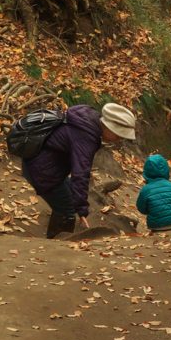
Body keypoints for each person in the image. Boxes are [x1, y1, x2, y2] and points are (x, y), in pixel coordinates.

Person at [23, 102, 135, 238]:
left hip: (45, 163)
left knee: (67, 195)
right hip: (41, 168)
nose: (118, 140)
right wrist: (82, 210)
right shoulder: (87, 136)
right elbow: (80, 173)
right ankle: (57, 247)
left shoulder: (88, 118)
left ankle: (53, 238)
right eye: (118, 135)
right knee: (68, 211)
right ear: (109, 127)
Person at [136, 154, 171, 233]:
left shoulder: (145, 190)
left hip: (156, 226)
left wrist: (152, 210)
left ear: (146, 171)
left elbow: (141, 207)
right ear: (165, 169)